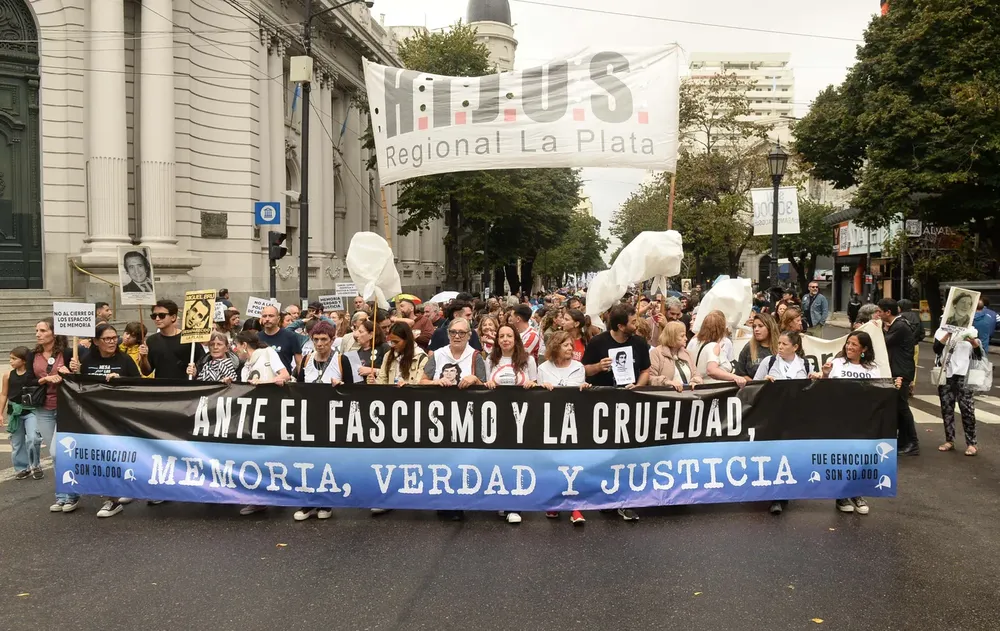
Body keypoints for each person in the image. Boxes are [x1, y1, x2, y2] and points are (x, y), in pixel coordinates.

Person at [64, 322, 141, 518]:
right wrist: (75, 372)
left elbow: (139, 383)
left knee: (115, 456)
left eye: (114, 338)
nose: (112, 342)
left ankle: (114, 499)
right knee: (102, 457)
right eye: (107, 339)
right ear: (96, 341)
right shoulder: (86, 360)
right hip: (95, 416)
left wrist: (120, 379)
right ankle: (113, 495)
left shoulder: (125, 360)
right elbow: (79, 386)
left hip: (119, 415)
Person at [811, 330, 886, 515]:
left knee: (860, 458)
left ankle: (857, 493)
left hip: (863, 420)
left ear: (864, 349)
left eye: (854, 344)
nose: (849, 347)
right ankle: (842, 496)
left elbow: (878, 392)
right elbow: (825, 390)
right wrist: (825, 375)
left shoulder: (872, 368)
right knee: (843, 457)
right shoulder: (836, 363)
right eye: (848, 343)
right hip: (840, 419)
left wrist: (894, 386)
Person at [536, 330, 591, 525]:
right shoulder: (543, 368)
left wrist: (585, 390)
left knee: (574, 463)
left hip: (574, 422)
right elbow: (537, 397)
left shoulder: (578, 367)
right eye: (566, 345)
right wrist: (542, 389)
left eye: (571, 345)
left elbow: (579, 395)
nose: (570, 348)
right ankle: (554, 502)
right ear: (555, 346)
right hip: (552, 421)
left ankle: (575, 507)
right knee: (554, 464)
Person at [29, 318, 82, 512]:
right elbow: (27, 380)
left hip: (64, 406)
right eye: (37, 330)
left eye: (43, 330)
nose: (38, 334)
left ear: (54, 333)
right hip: (43, 408)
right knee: (56, 456)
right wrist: (45, 379)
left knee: (57, 451)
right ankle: (62, 496)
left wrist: (72, 370)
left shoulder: (67, 353)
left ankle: (72, 494)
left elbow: (78, 379)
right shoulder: (32, 355)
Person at [876, 298, 919, 456]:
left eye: (880, 311)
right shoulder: (897, 325)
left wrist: (877, 328)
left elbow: (883, 343)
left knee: (902, 407)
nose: (878, 314)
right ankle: (902, 441)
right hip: (899, 369)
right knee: (898, 407)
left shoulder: (900, 326)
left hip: (901, 371)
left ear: (888, 312)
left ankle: (913, 443)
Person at [933, 325, 981, 457]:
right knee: (946, 408)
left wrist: (973, 342)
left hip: (964, 375)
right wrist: (948, 334)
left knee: (967, 409)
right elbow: (936, 349)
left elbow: (979, 355)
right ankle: (949, 440)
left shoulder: (971, 331)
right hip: (946, 374)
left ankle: (972, 443)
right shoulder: (941, 330)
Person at [582, 303, 651, 392]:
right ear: (621, 327)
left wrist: (638, 387)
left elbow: (645, 371)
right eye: (633, 322)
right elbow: (584, 370)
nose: (637, 325)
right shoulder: (597, 342)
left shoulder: (640, 342)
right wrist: (598, 367)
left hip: (630, 396)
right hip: (602, 395)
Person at [1, 346, 41, 481]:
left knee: (33, 439)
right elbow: (4, 394)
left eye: (14, 358)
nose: (10, 361)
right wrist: (0, 413)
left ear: (24, 361)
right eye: (10, 358)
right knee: (17, 443)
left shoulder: (32, 374)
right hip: (14, 412)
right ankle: (22, 468)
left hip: (31, 410)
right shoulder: (8, 375)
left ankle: (35, 465)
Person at [140, 300, 206, 379]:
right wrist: (143, 358)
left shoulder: (188, 338)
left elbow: (204, 364)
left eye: (162, 315)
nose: (157, 319)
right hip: (161, 385)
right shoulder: (151, 340)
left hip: (185, 385)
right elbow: (146, 372)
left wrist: (195, 371)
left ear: (173, 317)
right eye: (154, 316)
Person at [687, 310, 746, 387]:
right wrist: (736, 377)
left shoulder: (694, 342)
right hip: (713, 388)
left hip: (697, 386)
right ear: (721, 328)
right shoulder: (713, 346)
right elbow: (711, 370)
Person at [649, 321, 702, 391]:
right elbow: (650, 378)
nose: (686, 339)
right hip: (666, 395)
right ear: (672, 337)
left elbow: (696, 374)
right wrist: (667, 382)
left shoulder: (687, 354)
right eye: (682, 336)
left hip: (688, 394)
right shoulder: (656, 353)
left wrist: (695, 382)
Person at [485, 325, 538, 389]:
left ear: (515, 340)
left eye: (509, 336)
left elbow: (535, 386)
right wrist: (489, 384)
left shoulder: (529, 359)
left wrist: (532, 384)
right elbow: (487, 384)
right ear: (498, 341)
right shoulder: (490, 359)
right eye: (501, 336)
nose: (505, 339)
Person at [340, 320, 389, 385]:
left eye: (361, 332)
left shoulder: (384, 348)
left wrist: (373, 371)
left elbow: (391, 372)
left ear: (371, 335)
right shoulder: (357, 353)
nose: (356, 335)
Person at [257, 304, 302, 373]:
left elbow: (299, 363)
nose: (267, 319)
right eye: (264, 316)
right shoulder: (257, 337)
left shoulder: (290, 336)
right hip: (262, 377)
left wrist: (301, 378)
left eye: (271, 316)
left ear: (278, 319)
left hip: (284, 378)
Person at [735, 313, 779, 378]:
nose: (756, 329)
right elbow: (740, 373)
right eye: (754, 326)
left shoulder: (780, 347)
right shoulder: (748, 347)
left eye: (760, 326)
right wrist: (756, 382)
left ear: (770, 328)